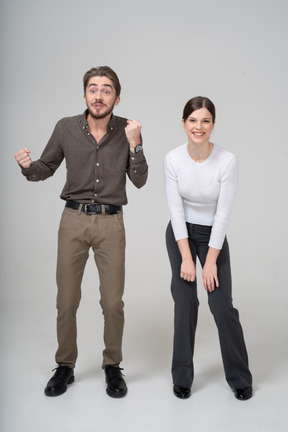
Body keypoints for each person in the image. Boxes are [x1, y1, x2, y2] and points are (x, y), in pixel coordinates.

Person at [14, 66, 148, 398]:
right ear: (85, 94)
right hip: (72, 221)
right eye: (93, 89)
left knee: (113, 302)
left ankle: (112, 366)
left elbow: (140, 179)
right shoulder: (65, 128)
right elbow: (45, 168)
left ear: (116, 97)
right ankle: (65, 366)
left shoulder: (129, 130)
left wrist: (136, 146)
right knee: (67, 300)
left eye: (106, 90)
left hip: (110, 222)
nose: (99, 95)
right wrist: (27, 167)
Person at [164, 96, 253, 400]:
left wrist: (210, 261)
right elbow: (176, 212)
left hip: (212, 235)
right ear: (183, 123)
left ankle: (240, 377)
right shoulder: (173, 159)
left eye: (205, 121)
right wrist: (187, 258)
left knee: (221, 305)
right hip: (180, 235)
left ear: (213, 125)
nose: (198, 127)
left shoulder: (227, 161)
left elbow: (223, 215)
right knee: (186, 301)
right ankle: (182, 377)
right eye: (192, 120)